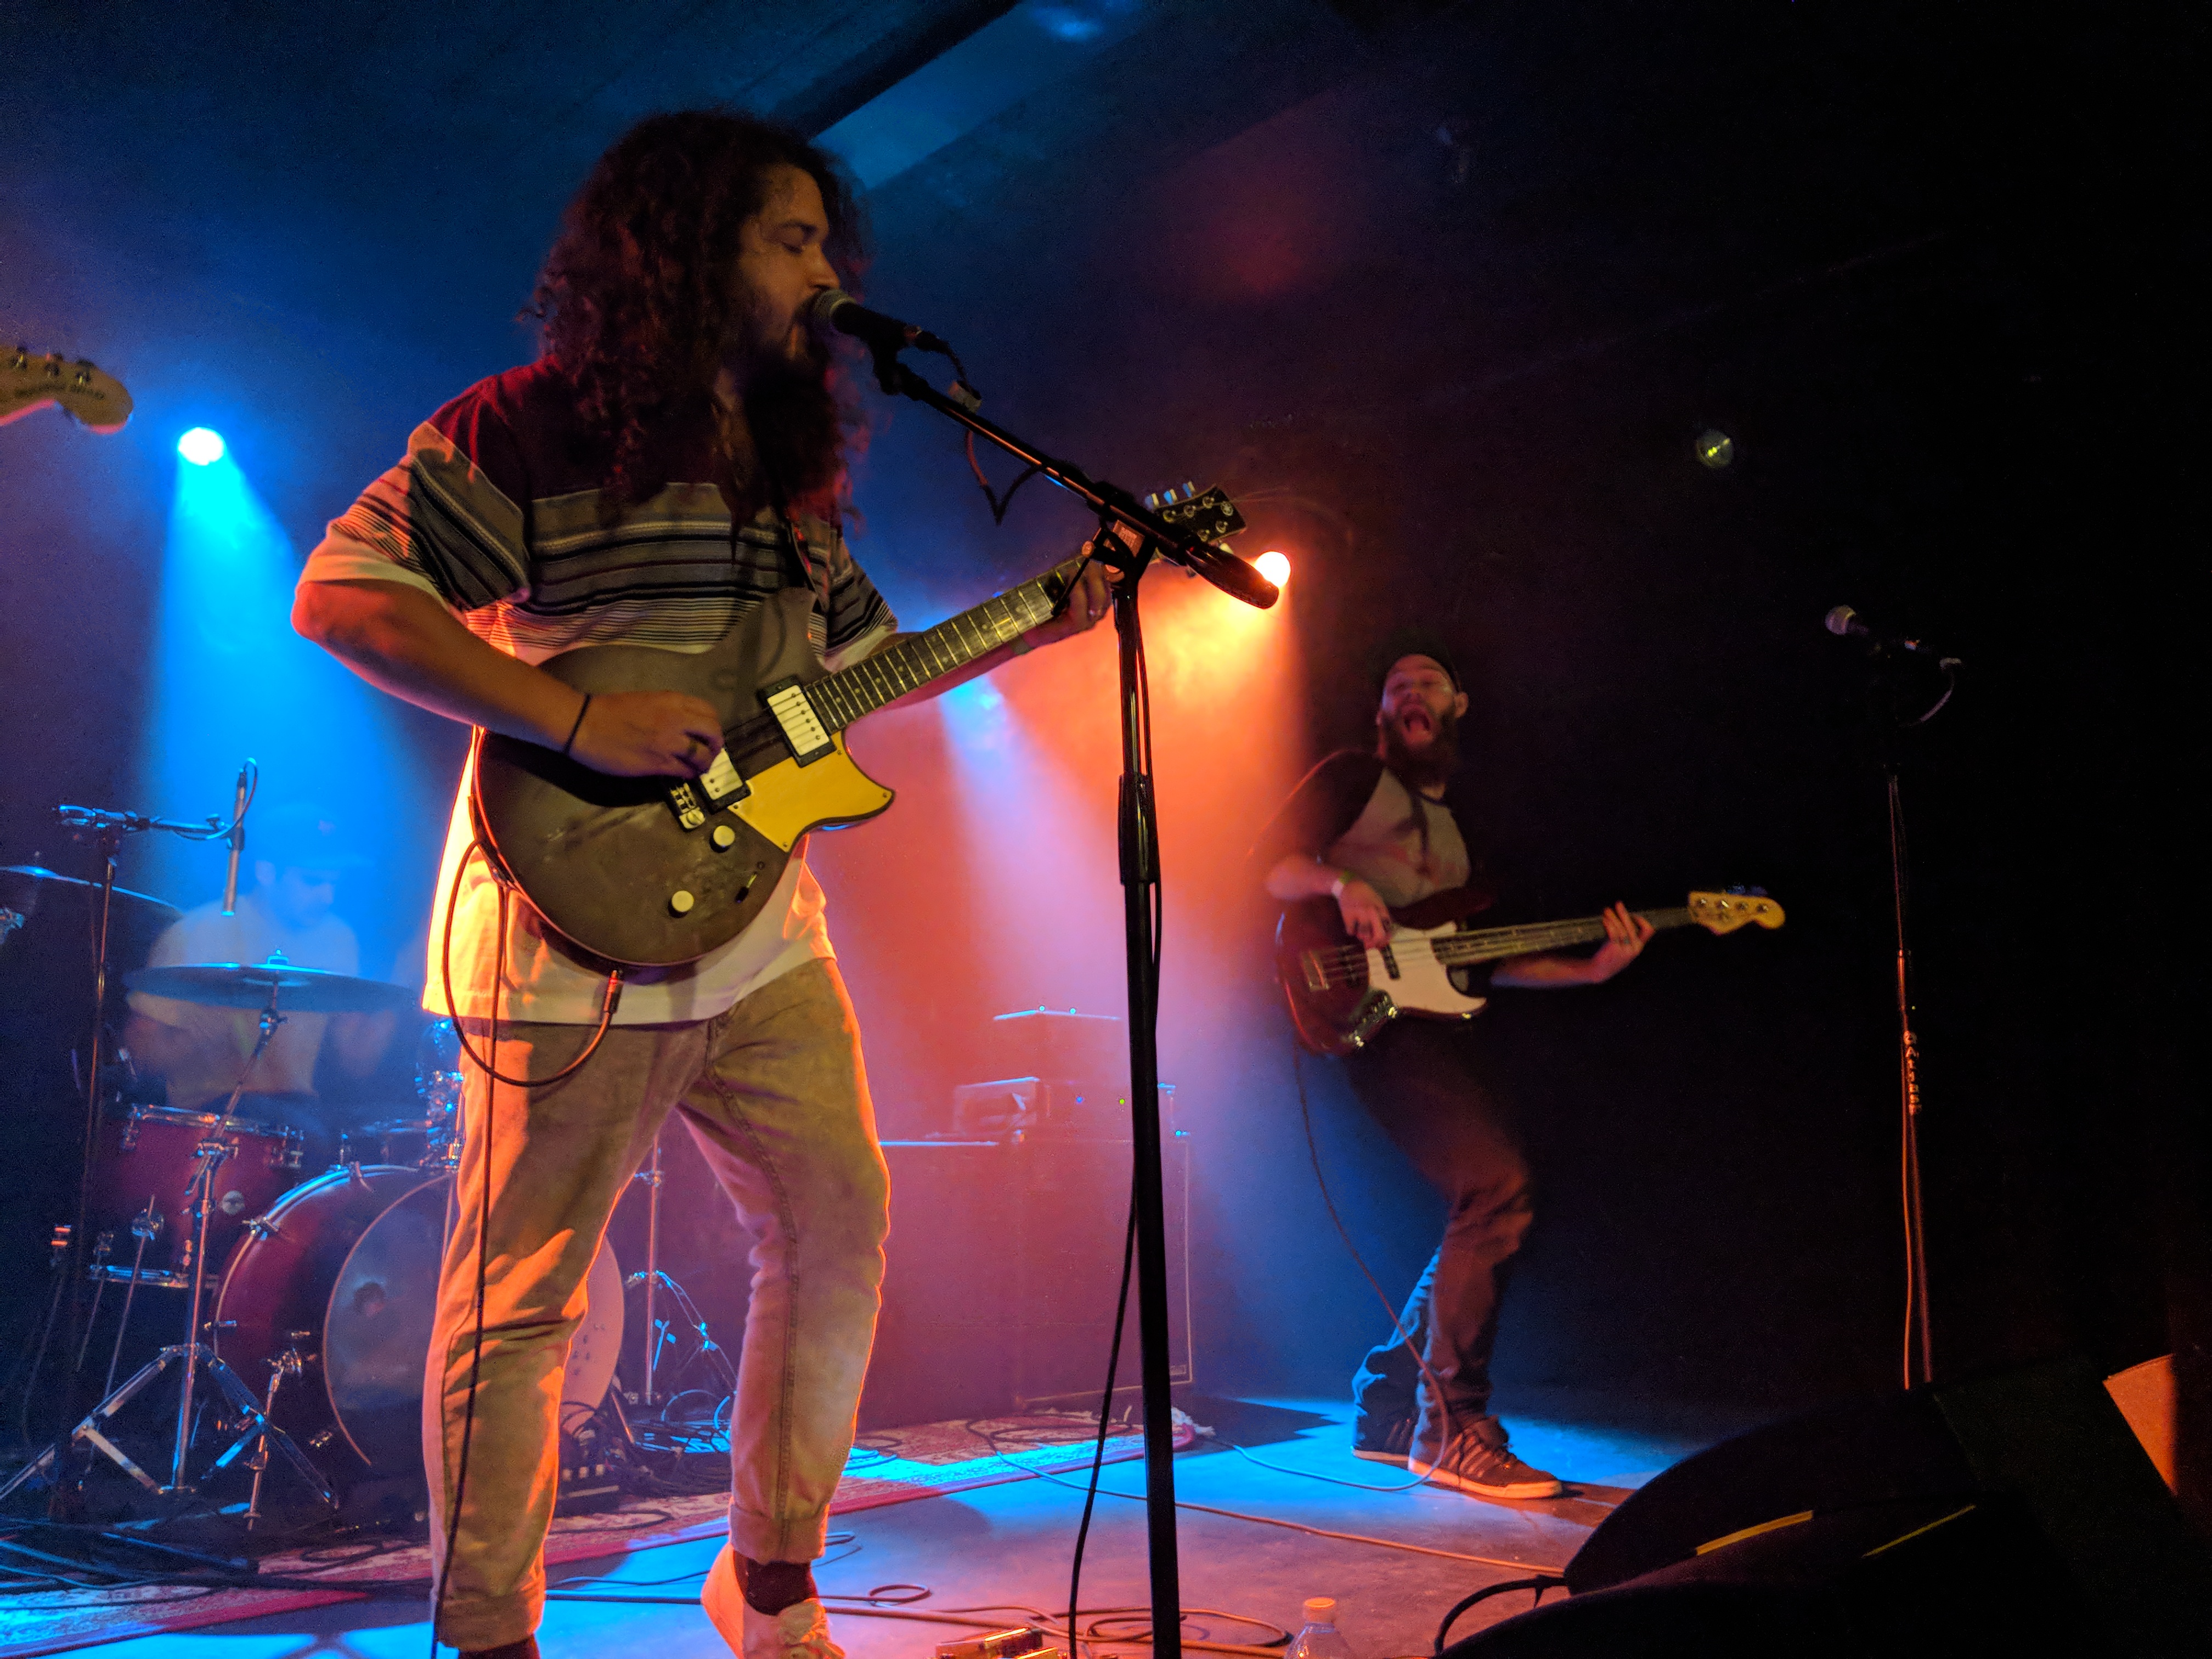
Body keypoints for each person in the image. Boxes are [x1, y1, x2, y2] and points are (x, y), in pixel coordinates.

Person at [291, 111, 1115, 1659]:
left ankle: (772, 1583)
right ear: (683, 253)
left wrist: (1043, 618)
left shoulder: (797, 477)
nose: (824, 277)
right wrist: (577, 718)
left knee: (838, 1226)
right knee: (522, 1297)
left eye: (826, 246)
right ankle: (487, 1635)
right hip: (565, 934)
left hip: (762, 936)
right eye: (790, 242)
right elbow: (343, 595)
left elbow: (869, 671)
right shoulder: (526, 427)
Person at [1256, 644, 1652, 1500]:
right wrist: (1342, 881)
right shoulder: (1354, 777)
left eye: (1428, 682)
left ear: (1459, 705)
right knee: (1497, 1189)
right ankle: (1452, 1429)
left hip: (1435, 1028)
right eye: (1395, 684)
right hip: (1364, 1015)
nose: (1411, 693)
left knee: (1490, 1197)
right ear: (1380, 712)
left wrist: (1592, 971)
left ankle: (1388, 1406)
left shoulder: (1466, 833)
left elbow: (1483, 963)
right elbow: (1272, 865)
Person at [123, 801, 389, 1164]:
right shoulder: (200, 933)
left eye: (334, 883)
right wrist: (197, 1037)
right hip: (208, 1114)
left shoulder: (338, 939)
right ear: (266, 872)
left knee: (380, 1141)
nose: (327, 897)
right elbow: (140, 1057)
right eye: (313, 881)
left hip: (300, 1108)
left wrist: (402, 984)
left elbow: (355, 1065)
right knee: (311, 1138)